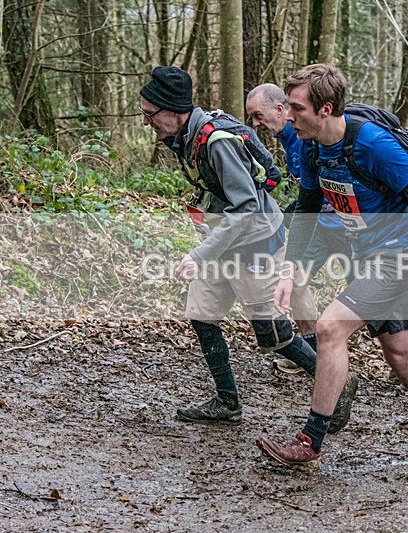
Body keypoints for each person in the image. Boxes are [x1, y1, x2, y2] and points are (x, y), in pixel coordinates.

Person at [255, 64, 408, 467]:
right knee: (401, 352)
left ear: (325, 109)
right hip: (363, 252)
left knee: (329, 328)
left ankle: (310, 441)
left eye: (297, 108)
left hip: (398, 254)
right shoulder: (313, 148)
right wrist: (290, 270)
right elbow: (307, 210)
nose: (289, 115)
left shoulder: (373, 144)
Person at [139, 66, 354, 431]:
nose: (147, 122)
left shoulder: (217, 141)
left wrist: (199, 255)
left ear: (173, 110)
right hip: (222, 245)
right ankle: (227, 402)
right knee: (202, 315)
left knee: (275, 337)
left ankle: (339, 382)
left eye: (150, 114)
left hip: (256, 247)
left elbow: (247, 207)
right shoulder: (186, 136)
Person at [246, 84, 354, 353]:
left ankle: (405, 350)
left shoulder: (308, 134)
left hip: (350, 228)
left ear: (279, 110)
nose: (255, 124)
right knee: (294, 281)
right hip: (320, 226)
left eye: (258, 115)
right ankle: (313, 351)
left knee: (369, 301)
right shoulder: (288, 138)